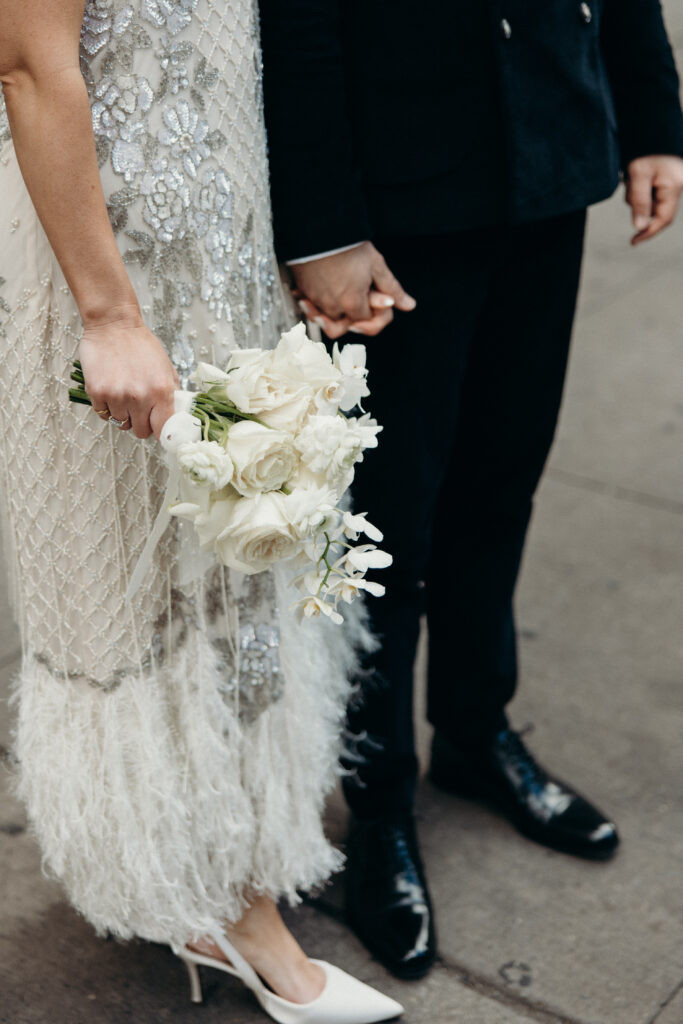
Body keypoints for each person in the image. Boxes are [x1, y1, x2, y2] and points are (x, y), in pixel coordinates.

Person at [259, 0, 683, 980]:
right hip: (399, 192)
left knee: (501, 483)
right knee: (384, 524)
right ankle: (377, 807)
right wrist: (322, 225)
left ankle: (472, 727)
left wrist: (651, 118)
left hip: (551, 148)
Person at [0, 2, 405, 1021]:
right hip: (114, 271)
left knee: (236, 567)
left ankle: (221, 882)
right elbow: (30, 69)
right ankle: (223, 903)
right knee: (136, 580)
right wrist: (107, 314)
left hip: (224, 255)